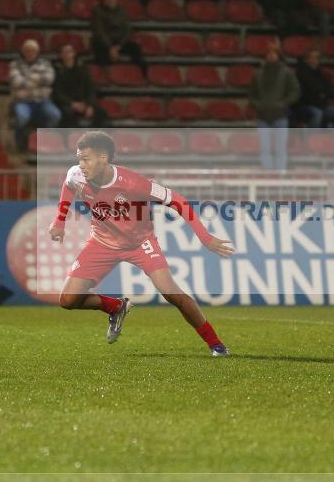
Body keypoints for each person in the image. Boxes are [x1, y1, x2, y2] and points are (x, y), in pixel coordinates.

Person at [49, 131, 234, 356]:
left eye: (86, 159)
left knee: (172, 294)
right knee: (68, 300)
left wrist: (205, 238)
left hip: (139, 244)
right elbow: (68, 186)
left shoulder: (133, 183)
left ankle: (216, 344)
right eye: (79, 159)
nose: (81, 165)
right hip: (101, 242)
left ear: (103, 158)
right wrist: (60, 221)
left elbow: (177, 200)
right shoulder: (76, 174)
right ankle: (115, 307)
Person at [249, 44, 300, 170]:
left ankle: (280, 172)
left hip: (280, 115)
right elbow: (251, 94)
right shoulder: (258, 74)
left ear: (279, 55)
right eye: (269, 53)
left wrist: (283, 103)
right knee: (264, 148)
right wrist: (258, 105)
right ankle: (267, 172)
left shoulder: (287, 73)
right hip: (262, 116)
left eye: (274, 53)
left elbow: (295, 91)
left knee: (280, 148)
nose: (271, 55)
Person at [9, 39, 61, 151]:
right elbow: (16, 82)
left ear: (37, 52)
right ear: (23, 52)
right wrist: (39, 80)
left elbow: (49, 79)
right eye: (27, 50)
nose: (30, 53)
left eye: (33, 51)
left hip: (43, 100)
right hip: (22, 101)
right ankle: (21, 144)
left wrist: (27, 79)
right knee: (22, 117)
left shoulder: (45, 64)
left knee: (55, 115)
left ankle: (43, 142)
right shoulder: (15, 64)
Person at [52, 43, 108, 128]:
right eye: (64, 52)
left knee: (101, 112)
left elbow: (90, 88)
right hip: (67, 103)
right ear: (61, 55)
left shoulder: (83, 69)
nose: (67, 54)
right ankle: (74, 136)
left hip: (83, 102)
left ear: (74, 53)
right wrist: (72, 104)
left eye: (69, 51)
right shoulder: (57, 70)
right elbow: (57, 92)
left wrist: (89, 104)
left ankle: (95, 134)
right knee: (68, 114)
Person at [90, 0, 146, 72]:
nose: (111, 0)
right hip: (104, 42)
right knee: (99, 47)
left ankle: (140, 72)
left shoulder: (122, 10)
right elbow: (99, 32)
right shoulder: (98, 11)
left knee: (135, 48)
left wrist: (119, 45)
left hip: (119, 42)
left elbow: (128, 30)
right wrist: (110, 47)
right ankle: (106, 73)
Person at [294, 49, 334, 129]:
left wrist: (322, 93)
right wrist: (321, 93)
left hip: (320, 105)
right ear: (305, 60)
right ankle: (312, 136)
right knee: (317, 113)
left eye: (316, 58)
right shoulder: (300, 73)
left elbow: (330, 89)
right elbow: (309, 90)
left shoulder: (320, 73)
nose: (314, 60)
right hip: (304, 107)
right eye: (311, 58)